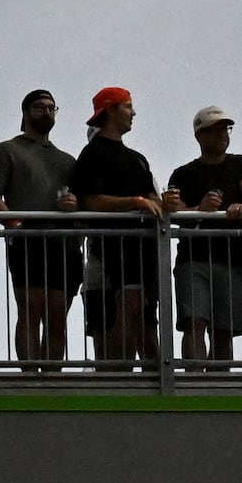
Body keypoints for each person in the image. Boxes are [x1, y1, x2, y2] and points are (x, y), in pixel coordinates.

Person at [0, 92, 80, 371]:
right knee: (32, 309)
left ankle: (51, 377)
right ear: (25, 112)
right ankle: (30, 376)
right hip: (29, 240)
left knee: (58, 313)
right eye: (39, 107)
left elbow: (81, 200)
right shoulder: (8, 150)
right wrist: (14, 224)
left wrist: (75, 204)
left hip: (65, 243)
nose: (46, 112)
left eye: (51, 108)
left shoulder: (67, 161)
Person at [66, 90, 163, 371]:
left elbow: (151, 197)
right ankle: (116, 380)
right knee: (124, 309)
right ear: (110, 110)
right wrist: (137, 203)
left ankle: (148, 386)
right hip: (109, 252)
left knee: (144, 319)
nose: (133, 113)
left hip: (142, 251)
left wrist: (161, 203)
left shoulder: (137, 158)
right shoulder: (92, 154)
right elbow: (91, 200)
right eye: (128, 107)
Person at [165, 108, 242, 366]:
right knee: (194, 321)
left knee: (223, 330)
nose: (222, 135)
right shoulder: (183, 174)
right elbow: (174, 210)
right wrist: (200, 210)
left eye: (225, 129)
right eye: (216, 129)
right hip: (193, 258)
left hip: (233, 258)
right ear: (200, 134)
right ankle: (194, 384)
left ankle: (218, 385)